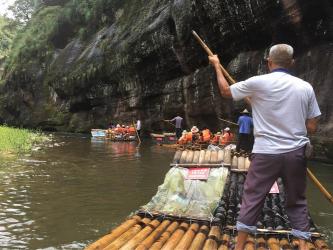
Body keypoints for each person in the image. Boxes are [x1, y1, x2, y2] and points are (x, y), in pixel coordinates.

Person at [209, 44, 321, 250]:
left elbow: (225, 91)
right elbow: (312, 127)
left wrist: (217, 65)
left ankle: (240, 246)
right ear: (292, 63)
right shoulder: (305, 87)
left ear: (269, 63)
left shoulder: (258, 83)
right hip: (295, 153)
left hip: (265, 153)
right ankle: (304, 246)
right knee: (297, 200)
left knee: (252, 197)